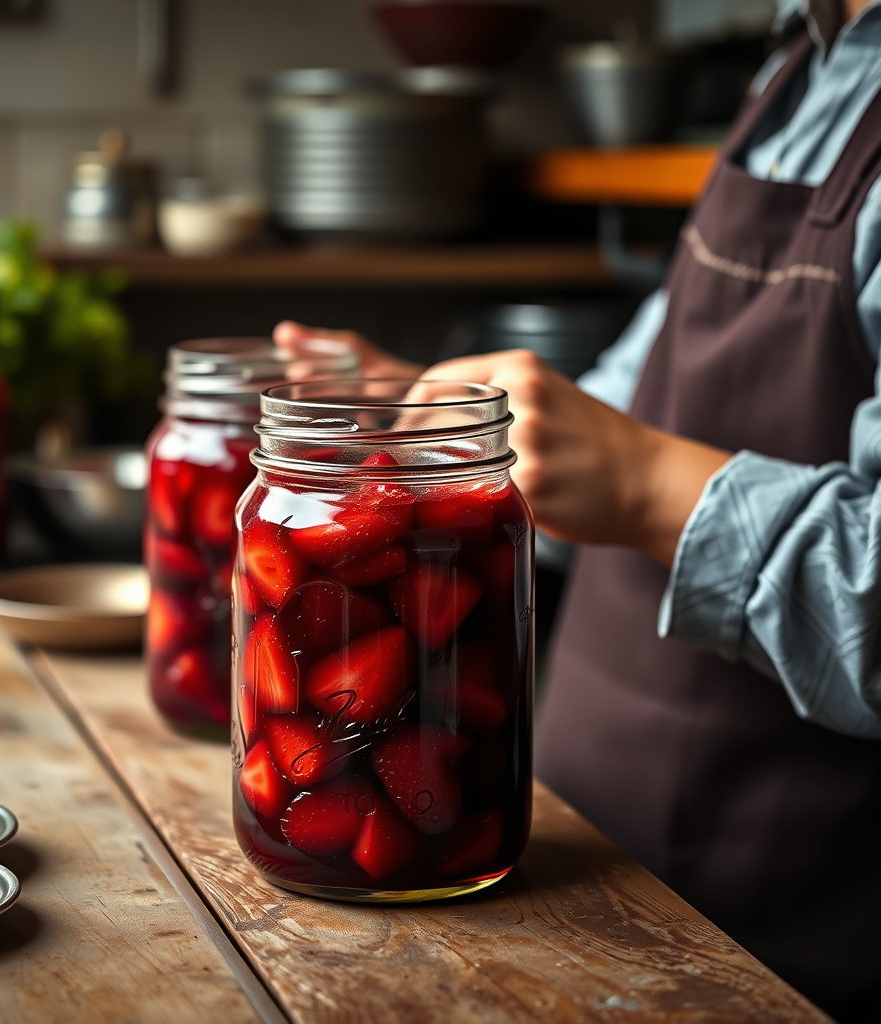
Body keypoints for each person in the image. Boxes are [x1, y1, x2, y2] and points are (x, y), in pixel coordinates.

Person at [273, 1, 881, 1019]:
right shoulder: (796, 62)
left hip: (776, 946)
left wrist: (644, 483)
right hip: (570, 876)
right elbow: (642, 390)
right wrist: (443, 425)